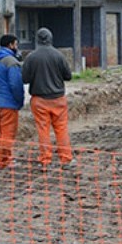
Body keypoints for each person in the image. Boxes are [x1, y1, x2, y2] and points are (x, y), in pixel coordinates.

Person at [21, 28, 75, 169]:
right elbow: (68, 76)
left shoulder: (31, 57)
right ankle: (66, 159)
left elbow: (25, 79)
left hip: (39, 100)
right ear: (51, 39)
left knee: (43, 130)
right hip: (58, 99)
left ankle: (45, 160)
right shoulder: (59, 56)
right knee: (61, 129)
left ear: (37, 40)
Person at [0, 34, 24, 169]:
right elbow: (16, 85)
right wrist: (19, 101)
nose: (17, 47)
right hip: (9, 103)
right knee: (8, 133)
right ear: (11, 45)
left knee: (2, 132)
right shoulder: (11, 62)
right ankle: (5, 161)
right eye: (16, 44)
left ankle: (0, 158)